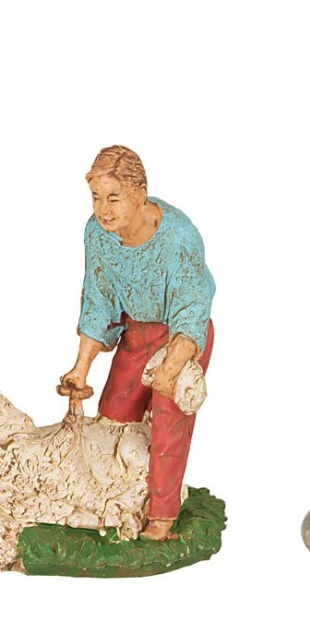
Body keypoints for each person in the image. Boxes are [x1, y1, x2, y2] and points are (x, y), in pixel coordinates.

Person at [58, 146, 216, 541]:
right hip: (136, 333)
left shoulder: (178, 236)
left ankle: (162, 515)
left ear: (140, 193)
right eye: (96, 197)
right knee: (113, 416)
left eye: (114, 198)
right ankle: (119, 502)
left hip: (180, 336)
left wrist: (171, 369)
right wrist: (80, 369)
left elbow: (192, 306)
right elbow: (98, 300)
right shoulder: (98, 234)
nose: (103, 209)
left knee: (167, 419)